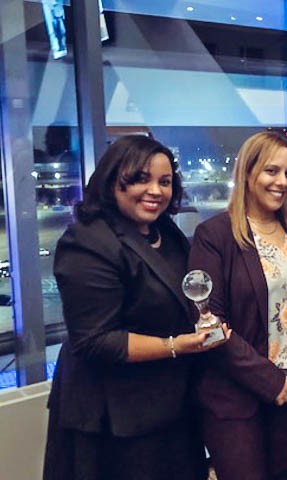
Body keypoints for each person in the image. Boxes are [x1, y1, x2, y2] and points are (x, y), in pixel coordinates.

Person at [43, 135, 227, 480]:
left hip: (170, 403)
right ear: (113, 179)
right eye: (141, 178)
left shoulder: (164, 231)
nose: (155, 190)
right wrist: (178, 345)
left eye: (165, 181)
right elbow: (96, 341)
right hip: (113, 418)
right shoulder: (87, 241)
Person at [188, 131, 287, 480]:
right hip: (234, 396)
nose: (281, 182)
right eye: (271, 171)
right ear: (247, 173)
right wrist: (270, 381)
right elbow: (209, 326)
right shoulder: (214, 235)